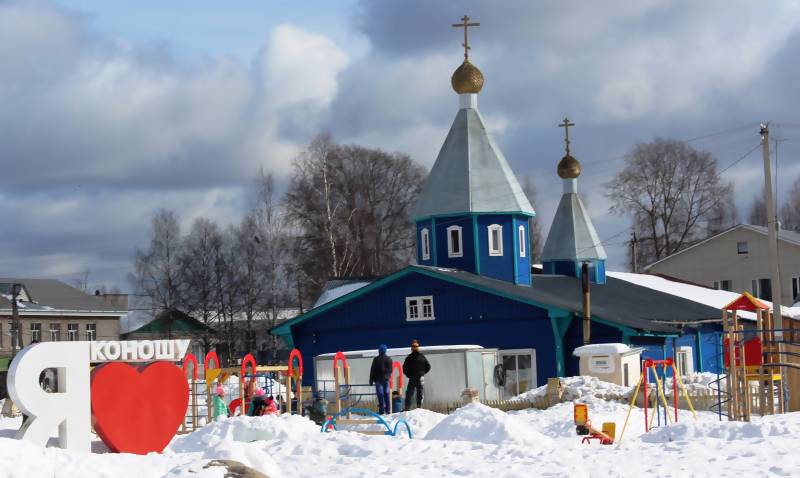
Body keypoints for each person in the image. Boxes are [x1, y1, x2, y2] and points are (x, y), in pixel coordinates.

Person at [402, 339, 430, 411]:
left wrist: (408, 375)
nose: (414, 348)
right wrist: (422, 373)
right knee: (419, 392)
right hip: (420, 377)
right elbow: (428, 367)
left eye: (414, 346)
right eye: (414, 346)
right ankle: (419, 407)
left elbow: (404, 368)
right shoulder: (422, 356)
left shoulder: (409, 357)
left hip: (413, 377)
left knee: (410, 393)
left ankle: (407, 408)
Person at [368, 344, 393, 414]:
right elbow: (391, 370)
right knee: (386, 394)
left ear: (379, 351)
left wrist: (371, 380)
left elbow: (372, 370)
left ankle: (381, 411)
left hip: (378, 380)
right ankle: (388, 410)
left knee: (380, 395)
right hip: (386, 380)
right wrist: (387, 376)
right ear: (385, 351)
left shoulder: (376, 359)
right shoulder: (389, 359)